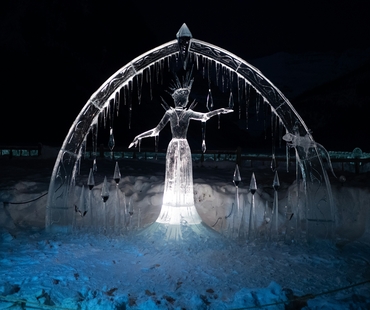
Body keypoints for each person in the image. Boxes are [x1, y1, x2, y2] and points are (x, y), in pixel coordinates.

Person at [129, 76, 233, 227]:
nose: (184, 101)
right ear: (179, 100)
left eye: (184, 98)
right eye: (183, 98)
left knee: (182, 174)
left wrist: (220, 110)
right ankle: (173, 209)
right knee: (172, 176)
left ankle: (183, 208)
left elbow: (204, 117)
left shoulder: (186, 113)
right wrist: (139, 136)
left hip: (182, 146)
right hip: (178, 146)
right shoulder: (171, 113)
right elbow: (156, 131)